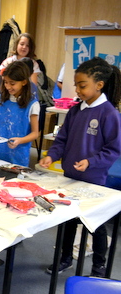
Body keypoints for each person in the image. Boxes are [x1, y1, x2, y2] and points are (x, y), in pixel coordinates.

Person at [40, 57, 121, 278]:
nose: (77, 89)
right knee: (67, 221)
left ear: (99, 85)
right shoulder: (76, 111)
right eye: (76, 85)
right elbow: (62, 139)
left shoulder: (109, 114)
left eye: (82, 85)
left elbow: (113, 149)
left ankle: (98, 266)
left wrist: (91, 162)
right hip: (71, 178)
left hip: (94, 181)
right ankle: (65, 258)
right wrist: (51, 156)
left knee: (95, 225)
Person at [0, 60, 40, 167]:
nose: (8, 86)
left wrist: (20, 140)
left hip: (17, 157)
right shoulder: (0, 99)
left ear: (24, 82)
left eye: (12, 83)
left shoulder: (32, 104)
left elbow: (35, 133)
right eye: (5, 82)